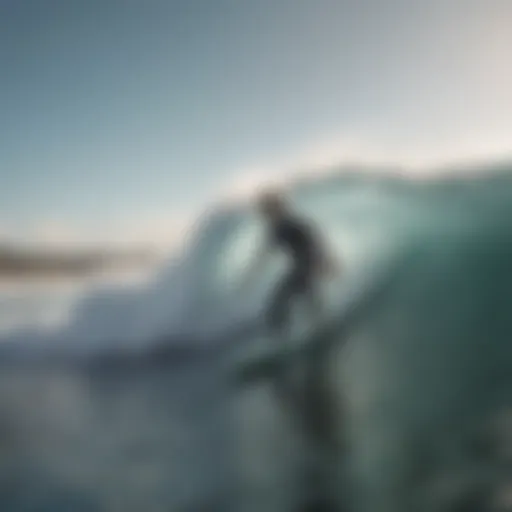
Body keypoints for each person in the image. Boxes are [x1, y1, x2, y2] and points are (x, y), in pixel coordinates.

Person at [242, 189, 340, 339]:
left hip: (307, 266)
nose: (264, 215)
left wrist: (326, 261)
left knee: (290, 301)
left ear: (276, 208)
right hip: (299, 268)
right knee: (285, 301)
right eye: (263, 212)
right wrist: (252, 273)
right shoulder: (275, 229)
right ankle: (301, 331)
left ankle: (319, 331)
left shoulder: (291, 223)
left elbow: (313, 240)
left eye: (266, 210)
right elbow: (265, 252)